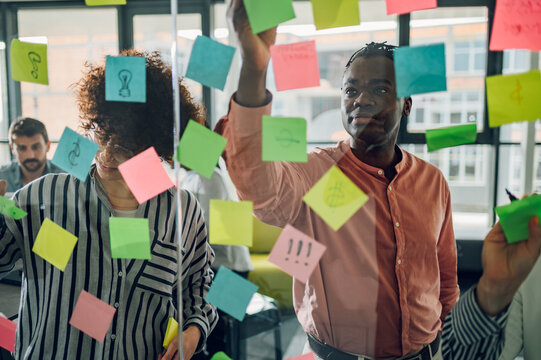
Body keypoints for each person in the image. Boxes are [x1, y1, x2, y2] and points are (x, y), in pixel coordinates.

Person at [220, 1, 541, 359]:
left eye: (380, 90)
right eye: (351, 90)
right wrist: (254, 67)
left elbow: (446, 282)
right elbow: (258, 187)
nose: (361, 100)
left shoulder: (433, 183)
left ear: (407, 104)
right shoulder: (315, 174)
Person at [0, 49, 217, 360]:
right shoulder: (42, 198)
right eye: (104, 134)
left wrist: (194, 329)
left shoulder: (181, 212)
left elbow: (197, 285)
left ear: (155, 146)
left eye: (127, 143)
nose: (108, 152)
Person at [182, 157, 253, 360]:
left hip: (229, 268)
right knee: (221, 338)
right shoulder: (195, 177)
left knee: (221, 339)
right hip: (227, 265)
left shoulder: (209, 176)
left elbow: (204, 227)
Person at [0, 117, 63, 196]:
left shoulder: (65, 177)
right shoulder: (2, 176)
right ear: (12, 148)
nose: (30, 155)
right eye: (22, 148)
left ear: (48, 146)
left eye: (36, 147)